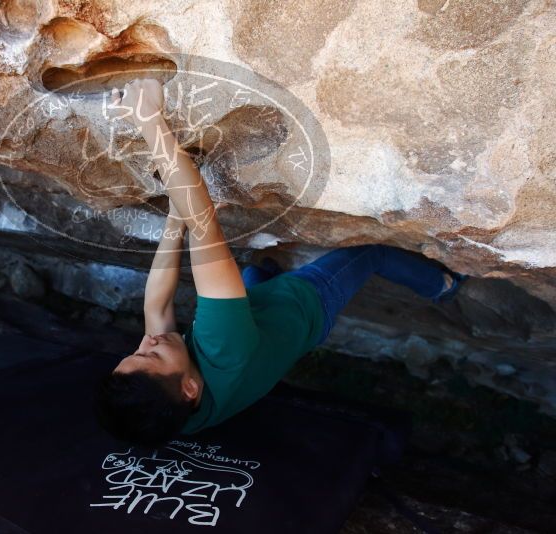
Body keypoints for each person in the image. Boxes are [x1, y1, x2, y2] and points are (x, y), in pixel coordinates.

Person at [93, 78, 468, 448]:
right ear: (190, 388)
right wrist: (149, 121)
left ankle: (264, 275)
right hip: (305, 307)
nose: (147, 339)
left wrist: (176, 217)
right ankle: (443, 287)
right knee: (369, 253)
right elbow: (203, 222)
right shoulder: (225, 347)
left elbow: (156, 304)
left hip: (258, 331)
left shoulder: (173, 417)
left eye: (135, 351)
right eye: (152, 353)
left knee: (255, 273)